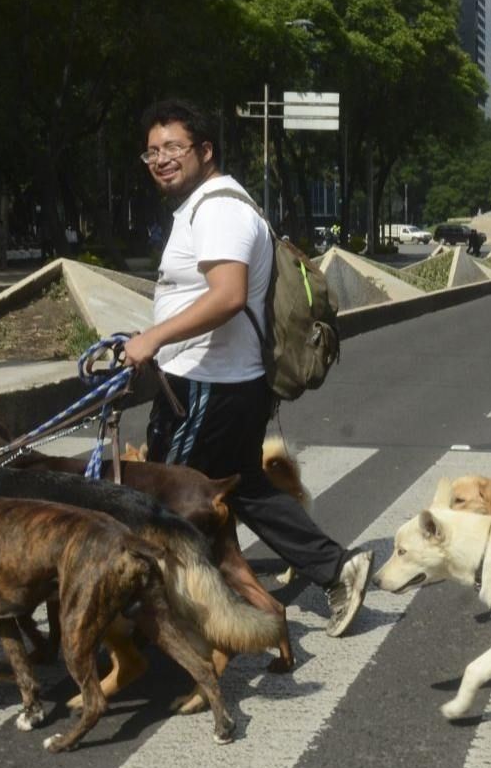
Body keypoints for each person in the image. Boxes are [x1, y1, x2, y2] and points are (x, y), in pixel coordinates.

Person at [120, 99, 368, 637]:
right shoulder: (205, 207)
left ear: (205, 151)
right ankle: (335, 567)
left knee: (165, 502)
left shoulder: (219, 210)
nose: (161, 159)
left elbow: (228, 296)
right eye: (152, 151)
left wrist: (152, 339)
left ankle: (173, 626)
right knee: (244, 488)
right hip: (219, 383)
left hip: (209, 386)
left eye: (174, 148)